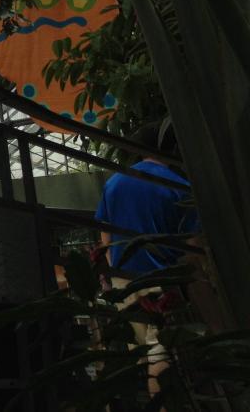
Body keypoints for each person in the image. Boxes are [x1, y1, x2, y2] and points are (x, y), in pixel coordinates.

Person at [95, 122, 199, 395]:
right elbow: (193, 246)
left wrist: (109, 274)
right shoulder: (180, 186)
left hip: (123, 281)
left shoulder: (115, 181)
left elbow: (105, 235)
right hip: (162, 281)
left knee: (141, 350)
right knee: (161, 351)